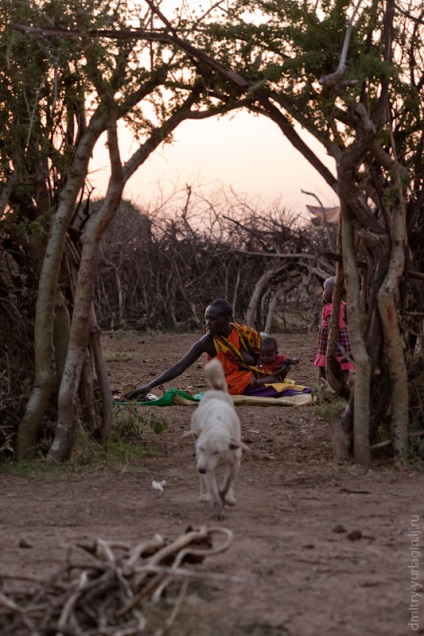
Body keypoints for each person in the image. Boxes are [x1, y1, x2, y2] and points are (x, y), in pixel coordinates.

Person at [126, 299, 311, 400]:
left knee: (290, 387)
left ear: (227, 319)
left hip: (254, 377)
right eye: (206, 318)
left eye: (213, 319)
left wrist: (284, 366)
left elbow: (267, 356)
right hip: (232, 386)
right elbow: (179, 367)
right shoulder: (207, 342)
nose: (208, 323)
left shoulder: (243, 332)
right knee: (289, 392)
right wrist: (150, 385)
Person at [313, 276, 355, 383]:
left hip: (330, 342)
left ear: (334, 292)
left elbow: (333, 324)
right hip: (343, 343)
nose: (323, 293)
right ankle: (343, 385)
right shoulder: (345, 306)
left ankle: (321, 388)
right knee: (344, 366)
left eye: (325, 290)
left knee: (323, 366)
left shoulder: (330, 308)